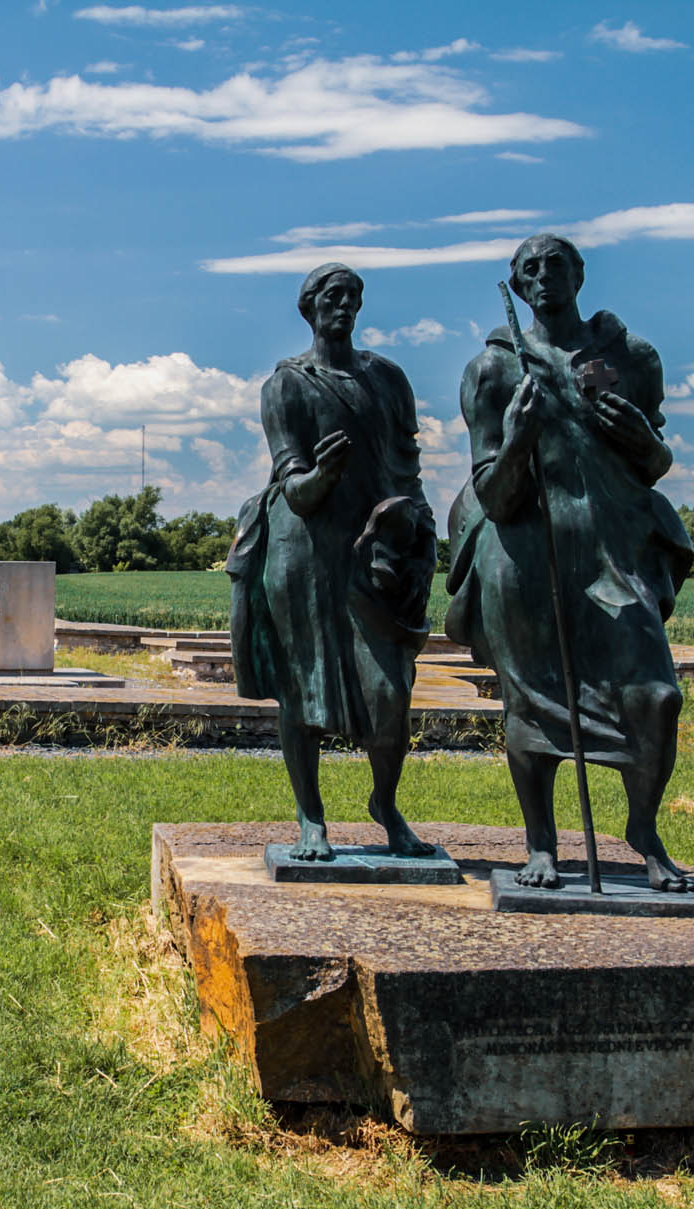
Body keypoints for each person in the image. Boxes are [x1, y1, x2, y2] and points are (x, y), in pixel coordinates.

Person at [447, 234, 694, 891]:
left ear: (579, 274)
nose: (543, 277)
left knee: (656, 697)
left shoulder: (632, 357)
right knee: (531, 706)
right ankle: (541, 845)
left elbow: (654, 465)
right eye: (529, 269)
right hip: (526, 556)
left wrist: (643, 440)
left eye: (555, 264)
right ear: (518, 285)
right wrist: (518, 436)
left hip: (613, 551)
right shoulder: (492, 370)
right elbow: (492, 495)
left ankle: (643, 830)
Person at [228, 262, 437, 862]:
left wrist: (418, 530)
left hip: (375, 553)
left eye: (352, 296)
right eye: (332, 295)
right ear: (309, 307)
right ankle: (310, 819)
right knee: (302, 693)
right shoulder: (286, 385)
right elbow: (294, 487)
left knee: (390, 695)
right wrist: (323, 474)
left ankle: (385, 805)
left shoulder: (388, 379)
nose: (343, 305)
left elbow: (408, 468)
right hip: (304, 554)